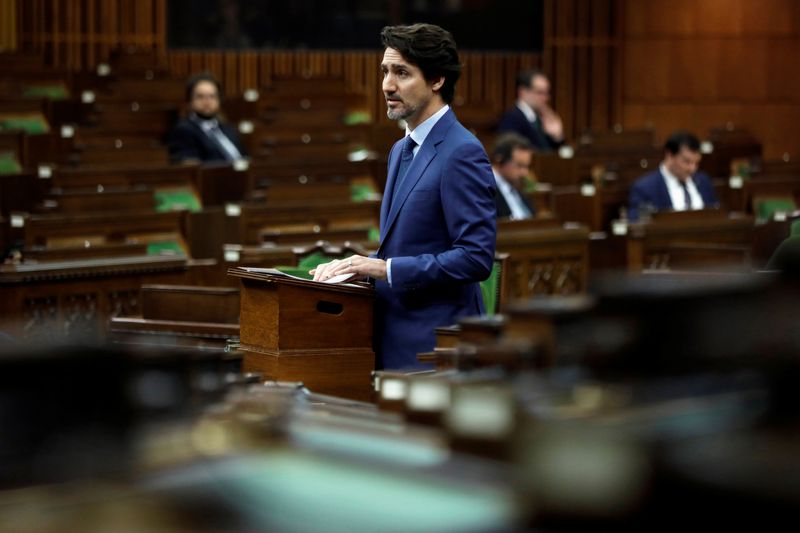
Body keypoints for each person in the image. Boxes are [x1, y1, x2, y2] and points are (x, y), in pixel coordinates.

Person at [311, 23, 497, 370]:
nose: (387, 85)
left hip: (435, 349)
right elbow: (407, 247)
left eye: (402, 73)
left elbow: (475, 258)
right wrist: (355, 268)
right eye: (385, 71)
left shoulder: (462, 152)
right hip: (391, 338)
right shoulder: (400, 149)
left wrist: (385, 268)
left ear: (437, 80)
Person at [628, 131, 719, 221]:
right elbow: (637, 225)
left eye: (696, 163)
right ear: (669, 155)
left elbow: (717, 216)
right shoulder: (645, 188)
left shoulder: (704, 181)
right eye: (687, 162)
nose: (692, 169)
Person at [168, 73, 246, 163]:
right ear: (190, 101)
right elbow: (192, 166)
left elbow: (244, 156)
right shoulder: (184, 130)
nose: (207, 102)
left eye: (212, 96)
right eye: (200, 97)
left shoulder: (227, 127)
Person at [497, 69, 564, 152]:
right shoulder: (511, 118)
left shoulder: (541, 120)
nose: (545, 98)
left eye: (547, 93)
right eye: (540, 92)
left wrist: (557, 137)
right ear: (523, 92)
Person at [492, 132, 536, 220]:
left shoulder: (516, 185)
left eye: (527, 166)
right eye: (519, 165)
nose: (525, 173)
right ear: (499, 160)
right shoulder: (485, 189)